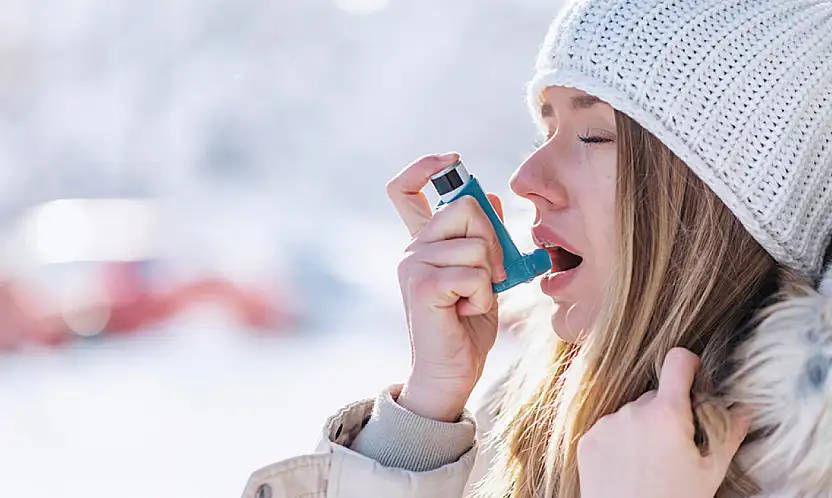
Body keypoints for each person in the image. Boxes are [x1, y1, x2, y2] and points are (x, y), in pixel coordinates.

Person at [241, 1, 832, 497]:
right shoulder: (519, 424)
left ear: (720, 202)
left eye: (594, 134)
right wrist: (419, 427)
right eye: (544, 130)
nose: (525, 179)